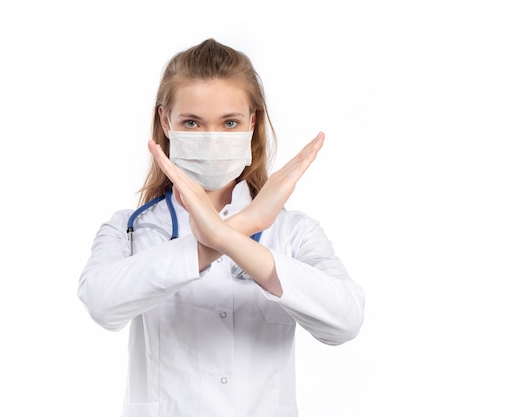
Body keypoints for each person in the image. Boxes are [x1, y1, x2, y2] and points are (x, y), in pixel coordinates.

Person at [78, 38, 365, 417]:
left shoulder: (294, 232)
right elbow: (102, 304)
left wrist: (232, 236)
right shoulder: (129, 230)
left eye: (229, 122)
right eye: (192, 123)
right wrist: (238, 231)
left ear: (252, 123)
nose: (211, 138)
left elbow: (345, 321)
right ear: (166, 122)